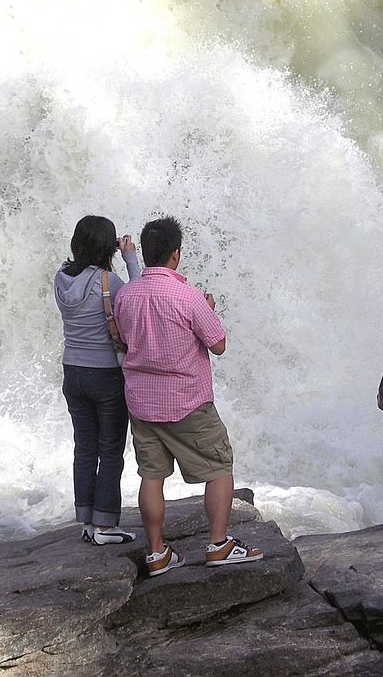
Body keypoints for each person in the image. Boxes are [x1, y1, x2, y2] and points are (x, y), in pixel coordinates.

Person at [114, 216, 262, 576]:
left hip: (143, 403)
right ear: (176, 255)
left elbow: (122, 339)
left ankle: (157, 552)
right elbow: (219, 344)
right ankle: (218, 544)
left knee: (151, 475)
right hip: (187, 401)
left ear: (146, 254)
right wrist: (207, 311)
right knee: (219, 466)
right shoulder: (188, 296)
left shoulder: (126, 295)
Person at [54, 215, 139, 545]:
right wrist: (130, 257)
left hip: (72, 372)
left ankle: (87, 521)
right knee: (111, 450)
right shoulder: (109, 282)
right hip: (105, 375)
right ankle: (105, 525)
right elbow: (141, 296)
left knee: (85, 447)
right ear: (109, 246)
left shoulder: (61, 278)